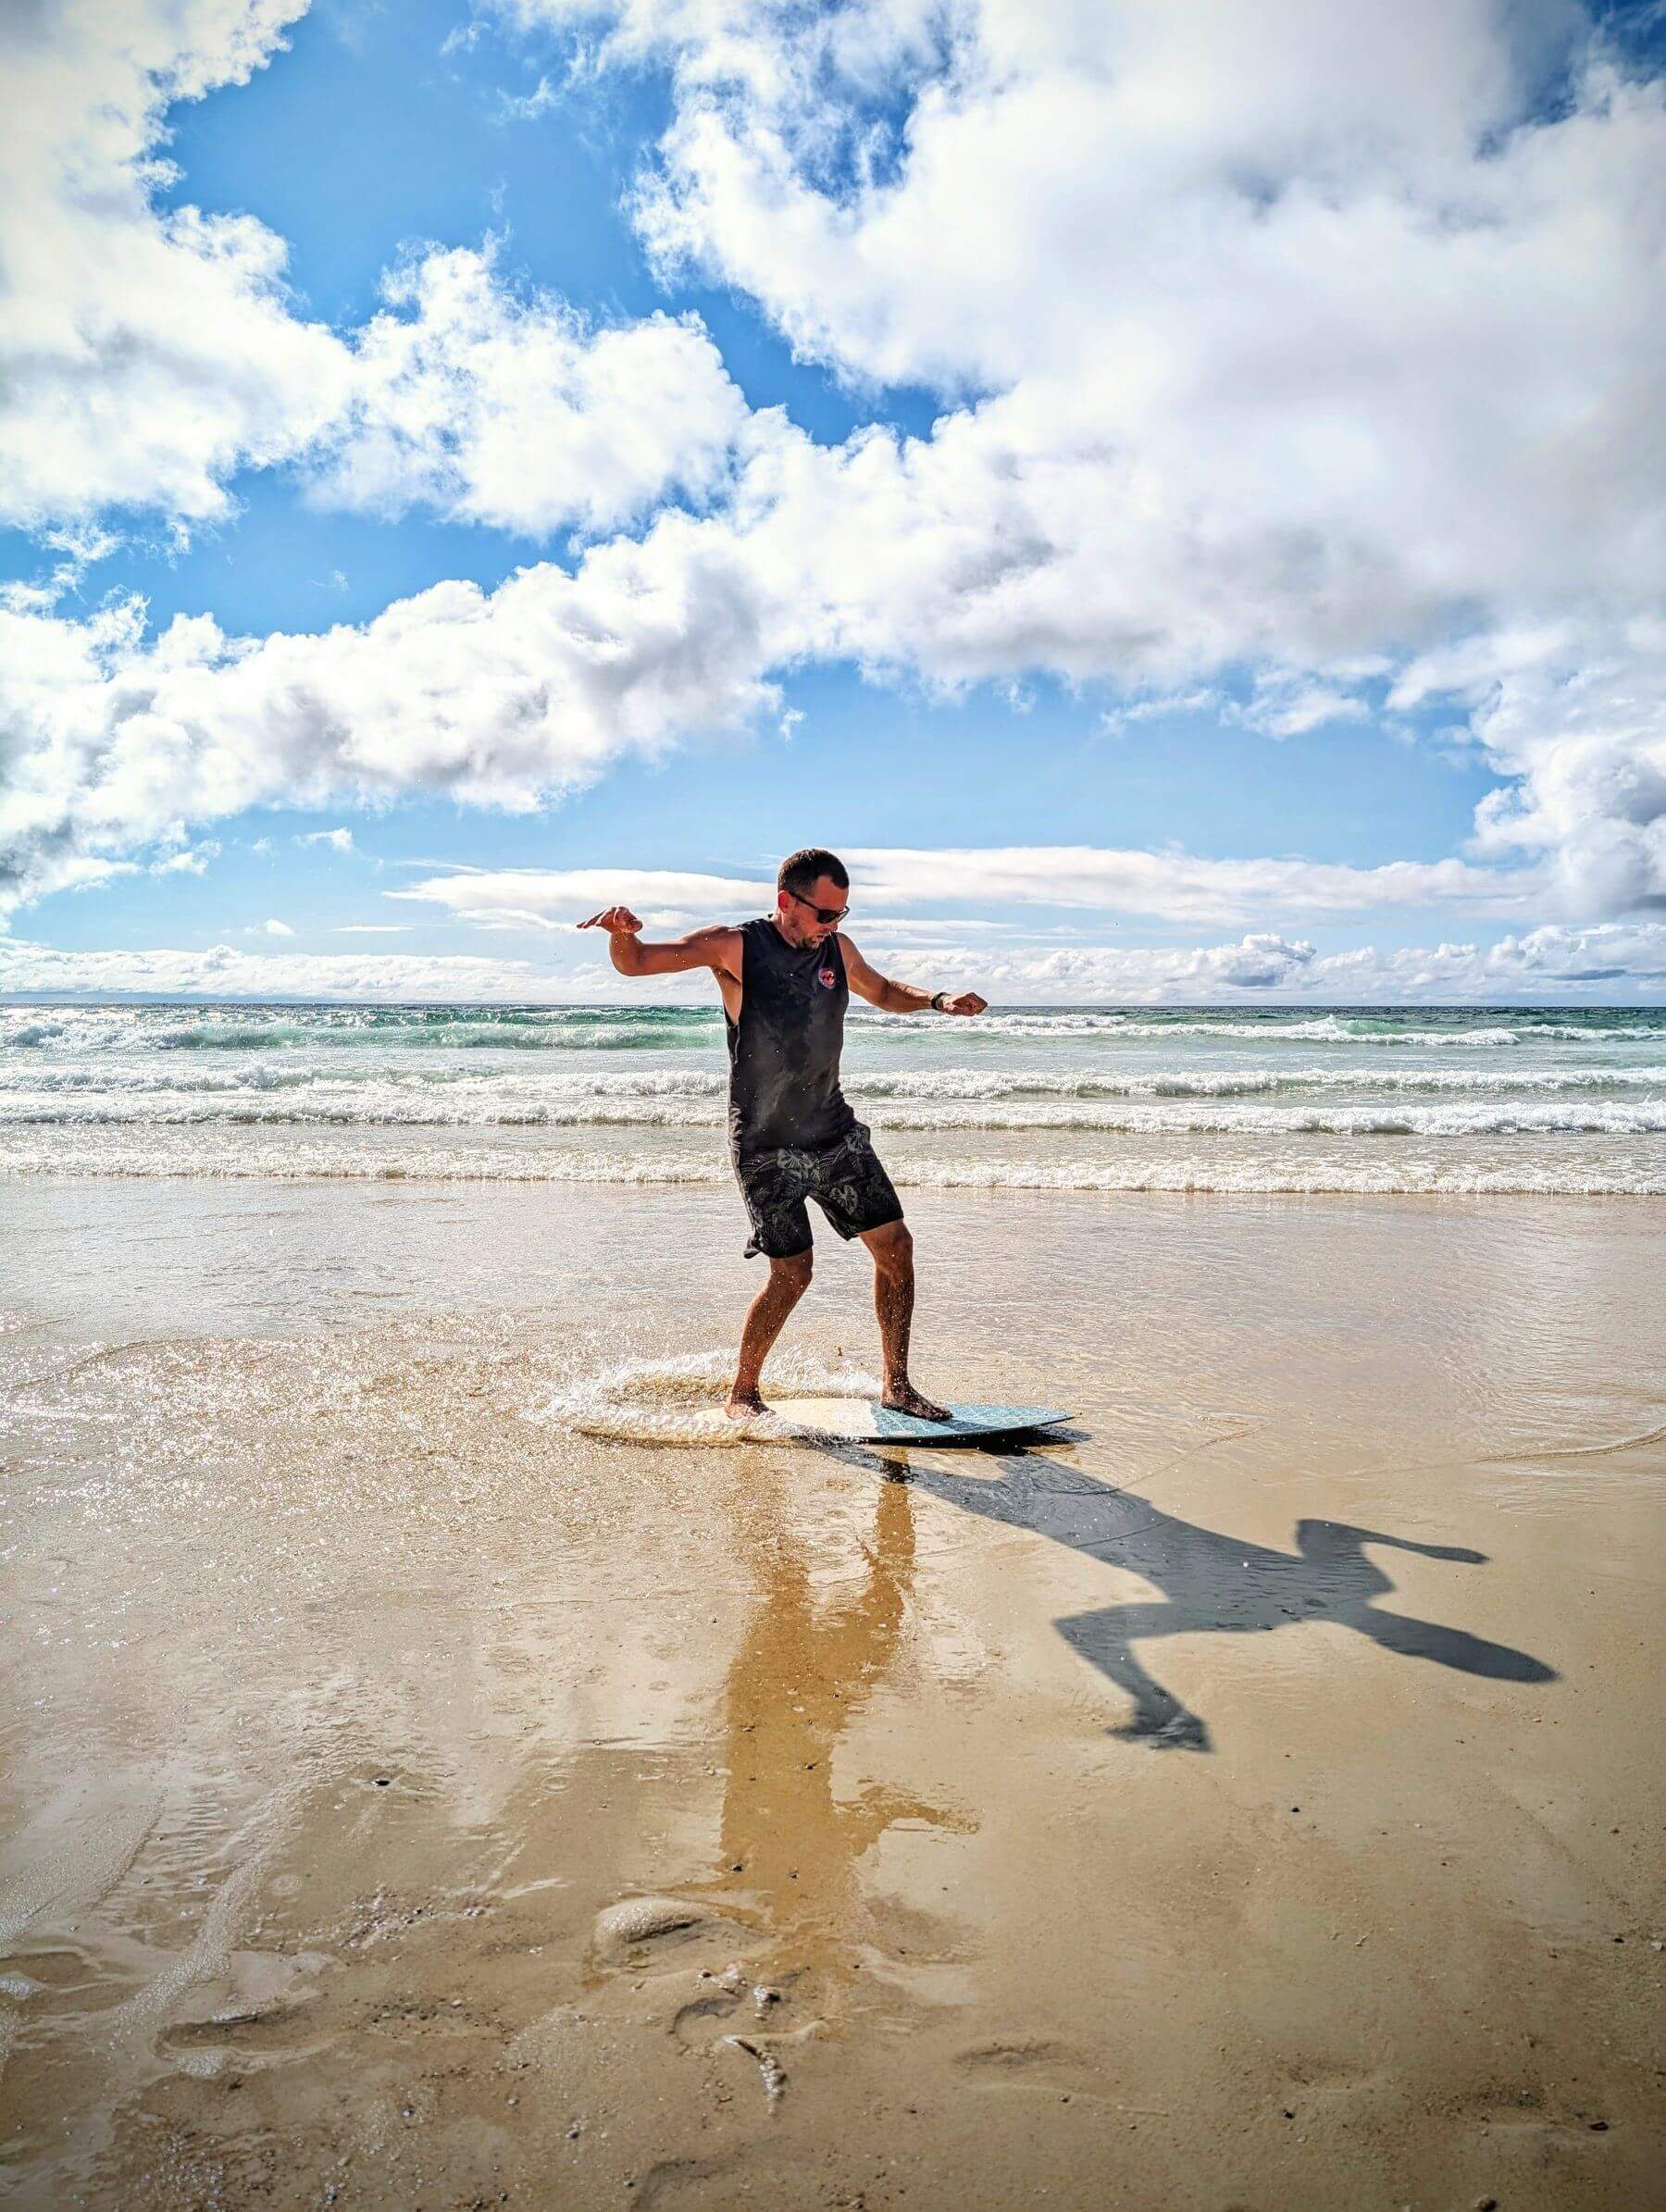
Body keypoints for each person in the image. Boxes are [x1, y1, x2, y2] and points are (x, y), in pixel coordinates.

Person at [579, 848, 987, 1421]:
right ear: (786, 903)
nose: (833, 927)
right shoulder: (735, 947)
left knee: (896, 1247)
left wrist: (938, 1000)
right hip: (765, 1144)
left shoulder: (836, 951)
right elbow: (639, 962)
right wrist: (620, 935)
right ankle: (743, 1393)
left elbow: (885, 991)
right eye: (825, 914)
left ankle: (897, 1385)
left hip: (831, 1129)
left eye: (842, 915)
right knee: (793, 1273)